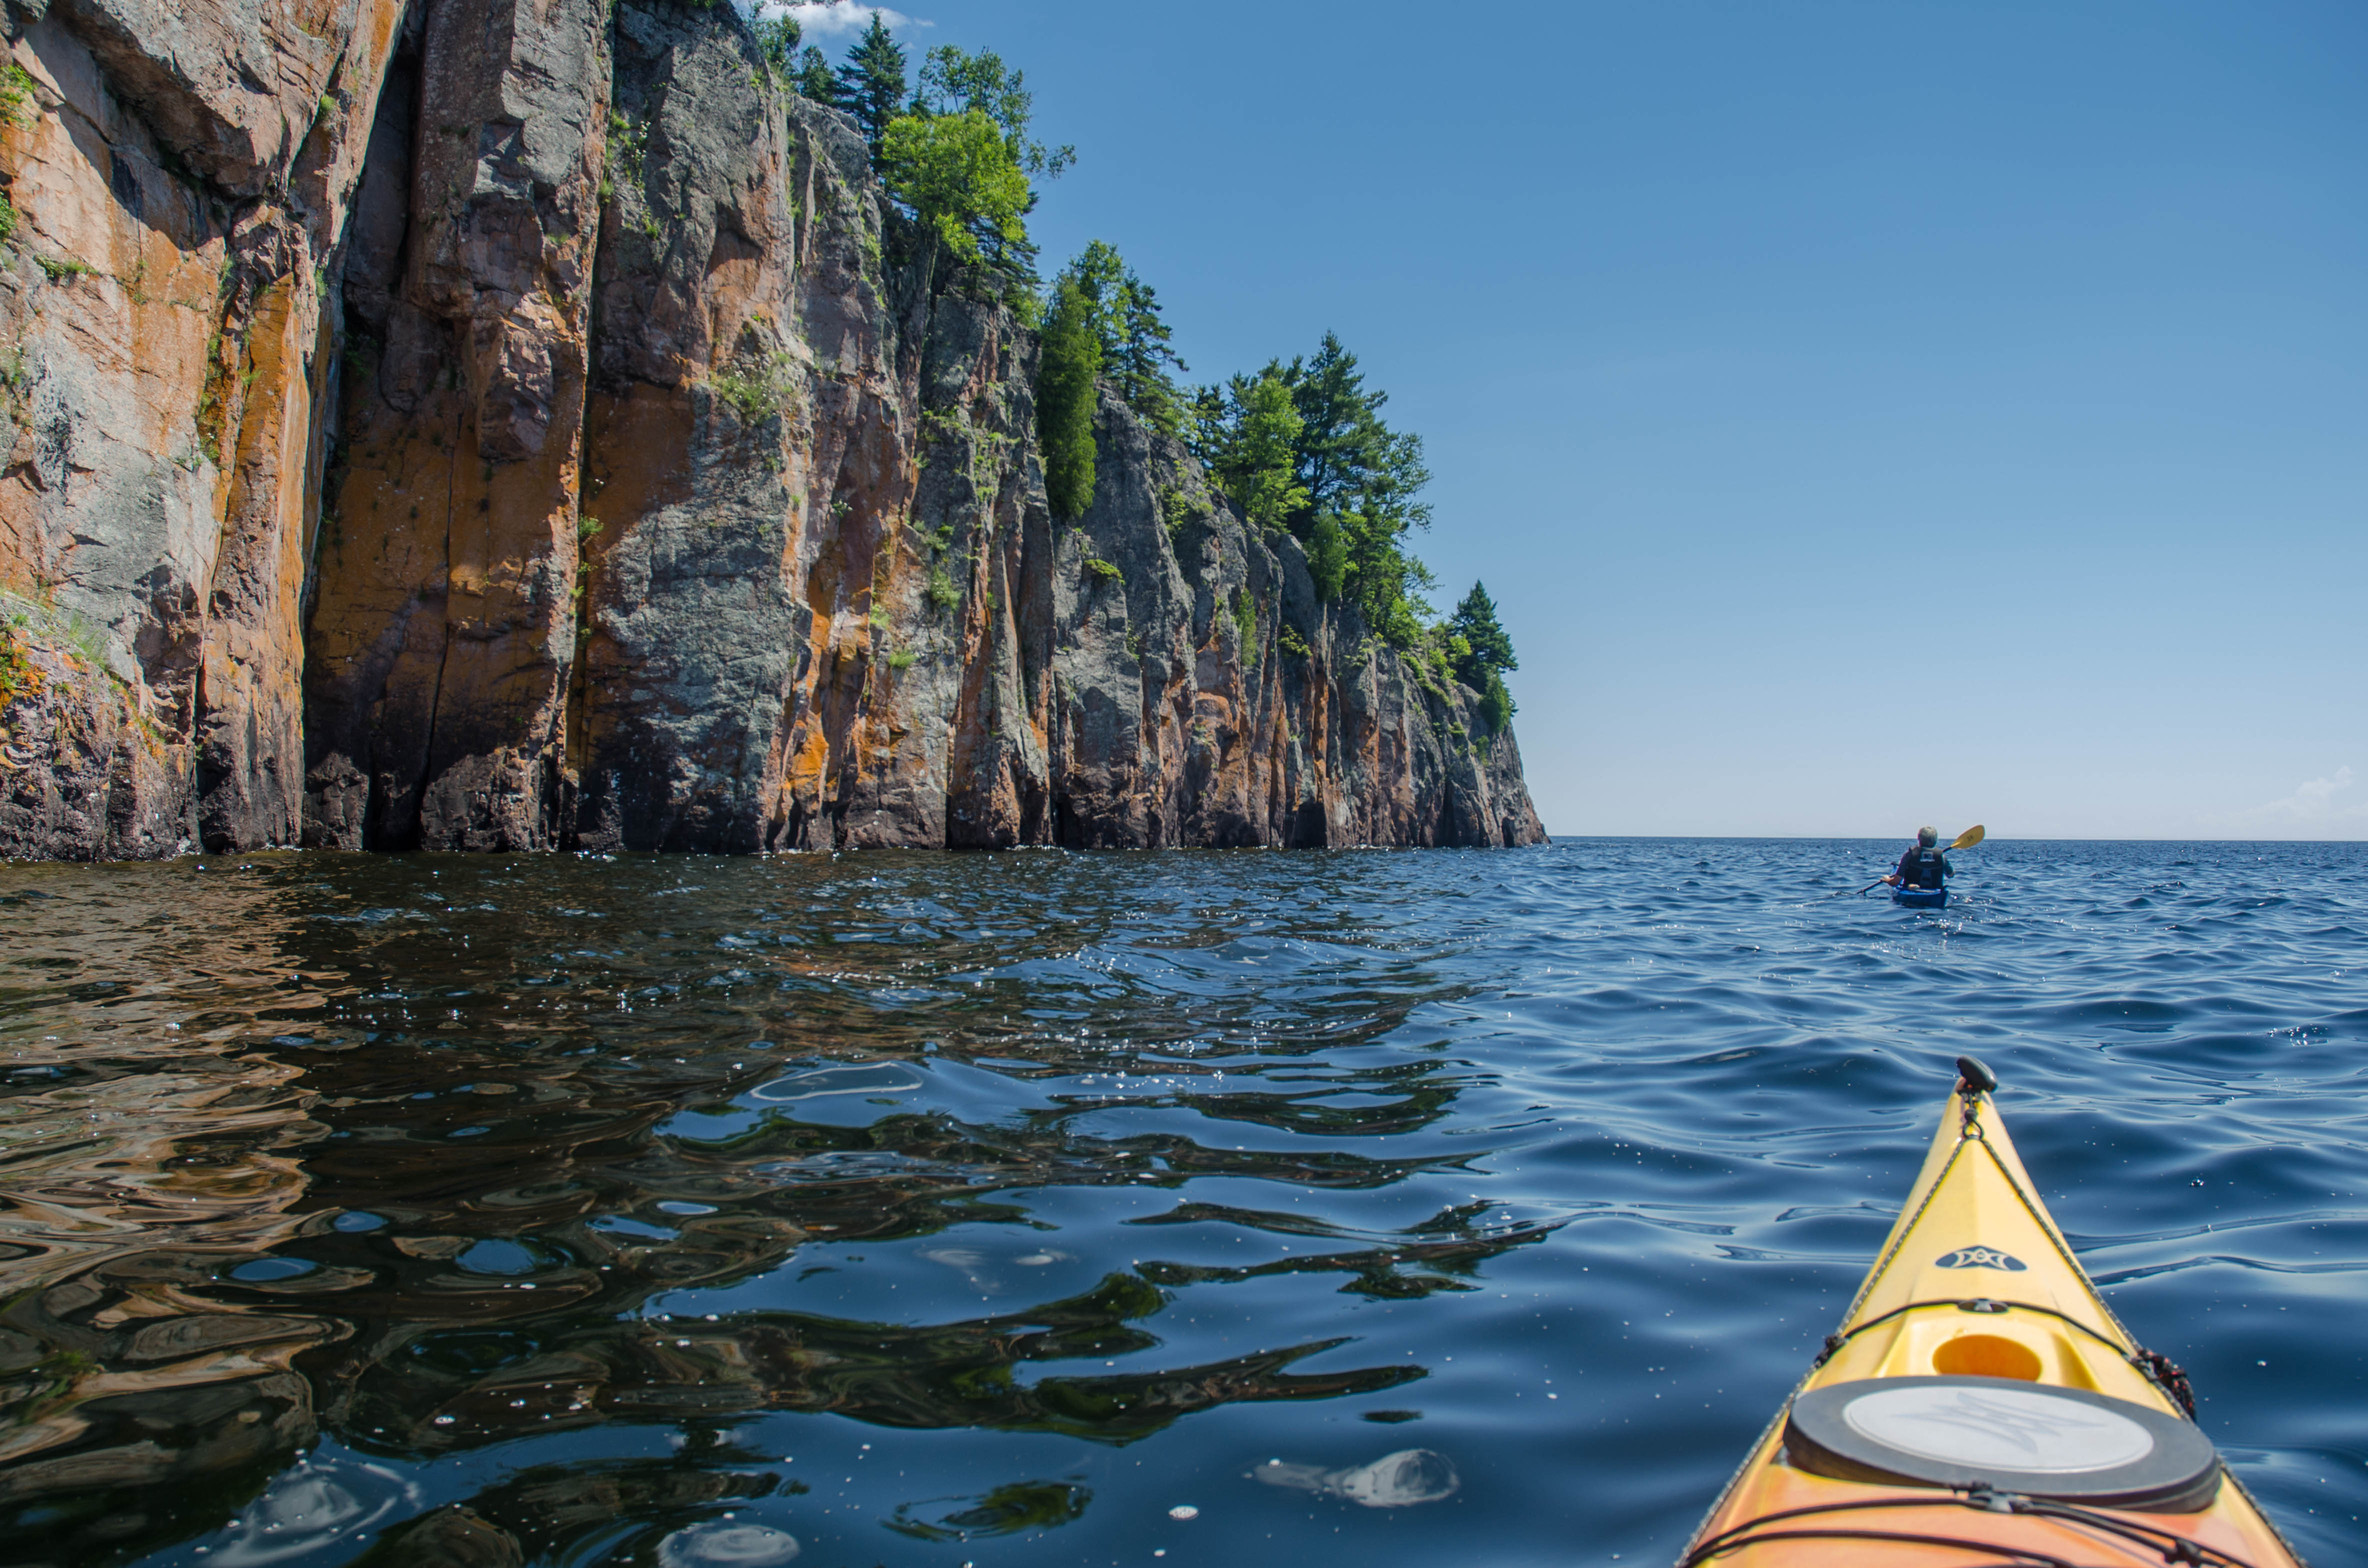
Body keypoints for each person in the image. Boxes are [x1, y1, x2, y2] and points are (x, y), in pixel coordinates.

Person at [1884, 827, 1952, 890]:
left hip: (1911, 893)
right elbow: (1951, 875)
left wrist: (1887, 880)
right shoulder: (1942, 857)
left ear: (1919, 839)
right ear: (1936, 840)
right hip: (1935, 891)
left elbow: (1895, 883)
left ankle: (1912, 887)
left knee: (1909, 886)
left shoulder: (1909, 855)